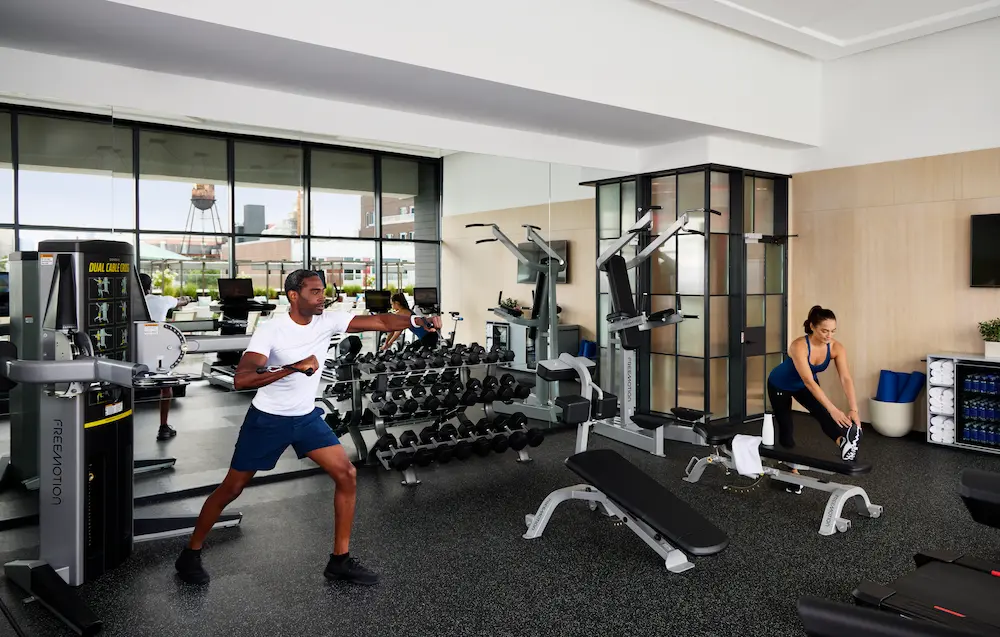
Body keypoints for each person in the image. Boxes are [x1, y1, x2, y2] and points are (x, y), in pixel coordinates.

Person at [174, 270, 441, 586]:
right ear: (293, 296)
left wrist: (415, 323)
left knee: (346, 474)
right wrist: (291, 368)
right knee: (232, 488)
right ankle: (190, 553)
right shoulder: (272, 331)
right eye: (315, 291)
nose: (322, 297)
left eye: (323, 291)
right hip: (267, 420)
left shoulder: (326, 320)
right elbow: (242, 379)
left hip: (305, 418)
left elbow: (382, 322)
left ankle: (339, 561)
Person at [766, 305, 863, 463]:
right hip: (780, 384)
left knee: (823, 414)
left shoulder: (836, 348)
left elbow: (845, 378)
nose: (829, 335)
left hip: (804, 385)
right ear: (812, 327)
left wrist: (854, 409)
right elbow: (809, 381)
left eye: (833, 331)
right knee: (786, 425)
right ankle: (792, 471)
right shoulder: (799, 346)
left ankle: (844, 444)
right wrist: (833, 409)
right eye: (825, 331)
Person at [139, 273, 190, 442]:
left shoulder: (127, 301)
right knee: (165, 386)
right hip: (158, 349)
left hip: (135, 349)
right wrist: (186, 299)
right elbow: (181, 302)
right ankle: (163, 426)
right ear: (150, 287)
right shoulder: (162, 300)